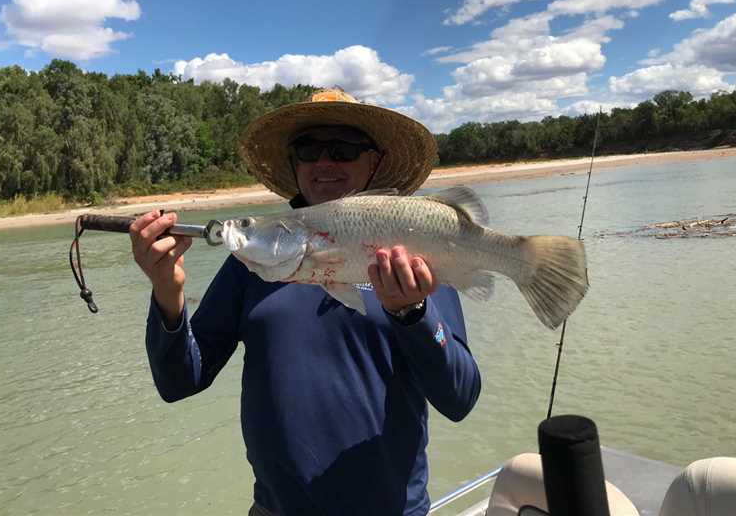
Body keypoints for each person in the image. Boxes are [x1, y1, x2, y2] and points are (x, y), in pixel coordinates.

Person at [130, 89, 481, 516]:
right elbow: (180, 381)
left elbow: (461, 397)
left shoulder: (411, 249)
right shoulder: (251, 264)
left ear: (374, 162)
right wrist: (167, 292)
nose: (324, 161)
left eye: (344, 149)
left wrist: (415, 315)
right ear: (295, 165)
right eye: (308, 149)